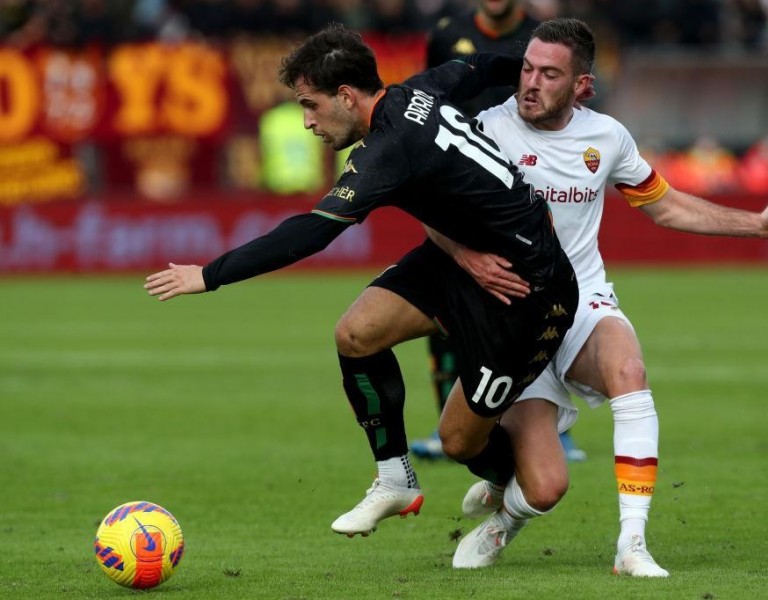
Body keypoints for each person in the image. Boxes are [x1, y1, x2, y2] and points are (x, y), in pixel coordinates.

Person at [143, 23, 579, 539]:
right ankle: (395, 479)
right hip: (464, 261)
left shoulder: (387, 150)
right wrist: (523, 72)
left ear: (346, 96)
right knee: (356, 333)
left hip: (527, 293)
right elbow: (476, 68)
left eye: (311, 105)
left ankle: (511, 489)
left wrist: (209, 275)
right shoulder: (417, 91)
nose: (307, 121)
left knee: (462, 444)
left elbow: (312, 232)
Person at [428, 18, 768, 574]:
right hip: (511, 314)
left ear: (582, 85)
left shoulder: (607, 138)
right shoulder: (485, 131)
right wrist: (467, 263)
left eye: (549, 74)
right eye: (527, 69)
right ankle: (509, 511)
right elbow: (431, 207)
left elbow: (665, 204)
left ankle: (631, 546)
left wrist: (757, 224)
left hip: (582, 298)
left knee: (628, 368)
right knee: (539, 484)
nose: (530, 83)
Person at [412, 0, 586, 463]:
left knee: (540, 300)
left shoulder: (541, 37)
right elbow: (431, 99)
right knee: (447, 303)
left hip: (529, 176)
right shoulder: (446, 34)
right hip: (464, 181)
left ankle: (550, 425)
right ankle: (447, 418)